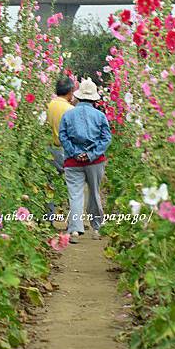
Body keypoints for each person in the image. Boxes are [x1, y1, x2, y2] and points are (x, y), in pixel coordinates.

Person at [59, 77, 112, 243]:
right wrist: (91, 154)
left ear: (78, 96)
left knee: (75, 195)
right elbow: (106, 138)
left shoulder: (68, 115)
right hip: (95, 162)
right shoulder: (100, 116)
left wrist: (75, 153)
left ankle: (75, 230)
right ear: (94, 98)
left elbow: (63, 136)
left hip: (72, 162)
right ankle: (97, 228)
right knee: (94, 193)